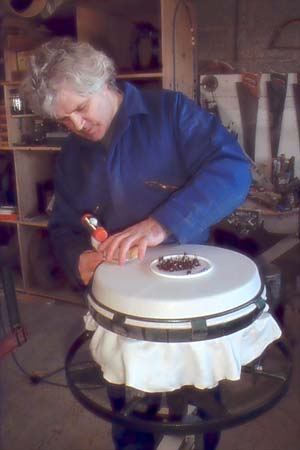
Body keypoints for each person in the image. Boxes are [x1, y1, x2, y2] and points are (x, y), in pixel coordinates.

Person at [22, 37, 252, 450]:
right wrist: (79, 260)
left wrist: (160, 224)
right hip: (121, 307)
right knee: (129, 406)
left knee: (200, 398)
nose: (75, 125)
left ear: (102, 83)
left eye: (79, 108)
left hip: (191, 297)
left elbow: (233, 170)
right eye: (63, 119)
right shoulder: (73, 155)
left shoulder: (171, 113)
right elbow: (62, 227)